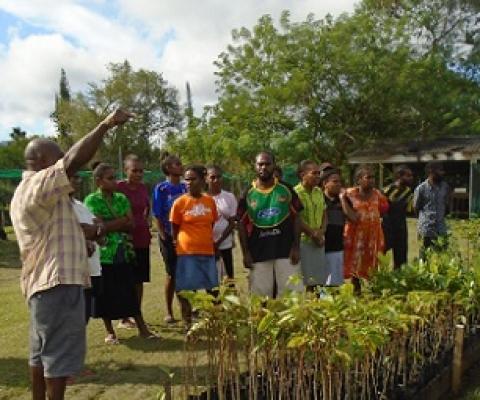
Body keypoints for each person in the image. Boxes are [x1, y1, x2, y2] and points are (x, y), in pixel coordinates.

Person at [10, 109, 132, 400]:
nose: (70, 167)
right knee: (58, 357)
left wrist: (87, 237)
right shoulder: (38, 185)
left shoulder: (37, 194)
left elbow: (62, 230)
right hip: (57, 284)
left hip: (44, 284)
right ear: (41, 161)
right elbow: (74, 160)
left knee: (41, 354)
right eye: (58, 156)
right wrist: (105, 125)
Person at [84, 163, 156, 344]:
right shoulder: (91, 201)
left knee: (129, 289)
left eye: (115, 177)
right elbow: (97, 229)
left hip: (123, 250)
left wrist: (108, 224)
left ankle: (142, 329)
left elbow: (131, 224)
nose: (114, 181)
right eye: (110, 178)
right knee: (105, 293)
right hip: (104, 253)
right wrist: (119, 222)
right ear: (98, 181)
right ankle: (110, 332)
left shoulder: (122, 198)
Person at [237, 151, 303, 298]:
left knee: (291, 295)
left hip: (285, 250)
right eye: (260, 164)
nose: (264, 167)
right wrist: (245, 252)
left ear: (274, 165)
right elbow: (240, 224)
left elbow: (297, 217)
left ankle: (291, 323)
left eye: (267, 164)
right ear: (255, 166)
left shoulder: (286, 189)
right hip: (258, 251)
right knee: (260, 297)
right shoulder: (247, 194)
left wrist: (296, 246)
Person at [170, 165, 219, 327]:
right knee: (186, 291)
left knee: (212, 290)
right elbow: (175, 228)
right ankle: (188, 324)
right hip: (187, 253)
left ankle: (215, 323)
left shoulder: (210, 201)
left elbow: (211, 224)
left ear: (202, 180)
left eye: (193, 178)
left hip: (207, 252)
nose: (189, 182)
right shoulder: (179, 203)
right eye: (187, 179)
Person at [116, 154, 152, 329]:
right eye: (134, 170)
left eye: (140, 171)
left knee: (139, 280)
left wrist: (148, 221)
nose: (138, 174)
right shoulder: (118, 188)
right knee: (125, 279)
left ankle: (136, 312)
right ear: (126, 170)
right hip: (124, 240)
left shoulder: (144, 188)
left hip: (142, 238)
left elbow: (147, 207)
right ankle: (124, 316)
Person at [152, 153, 187, 324]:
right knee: (172, 274)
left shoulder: (185, 188)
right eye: (177, 164)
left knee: (185, 273)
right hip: (168, 237)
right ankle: (169, 311)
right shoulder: (161, 189)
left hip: (185, 238)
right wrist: (164, 235)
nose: (181, 166)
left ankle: (186, 309)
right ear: (168, 169)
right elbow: (157, 214)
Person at [343, 165, 388, 292]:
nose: (372, 180)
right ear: (358, 180)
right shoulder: (349, 194)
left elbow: (384, 209)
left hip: (373, 235)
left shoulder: (377, 194)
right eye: (368, 177)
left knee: (373, 261)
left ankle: (374, 289)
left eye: (373, 177)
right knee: (355, 261)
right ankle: (356, 289)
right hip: (356, 235)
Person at [294, 160, 327, 291]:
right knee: (306, 281)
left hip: (319, 241)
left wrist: (321, 232)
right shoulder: (294, 193)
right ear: (303, 175)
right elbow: (296, 218)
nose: (318, 176)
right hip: (303, 242)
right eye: (314, 173)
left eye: (319, 173)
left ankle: (320, 306)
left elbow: (325, 214)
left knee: (319, 279)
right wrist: (312, 233)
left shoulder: (319, 192)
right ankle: (308, 308)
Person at [322, 169, 354, 286]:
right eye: (335, 182)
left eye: (340, 182)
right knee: (317, 283)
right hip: (320, 246)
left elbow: (353, 217)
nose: (339, 184)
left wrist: (342, 199)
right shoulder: (318, 198)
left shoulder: (344, 200)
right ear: (325, 183)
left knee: (334, 284)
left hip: (336, 247)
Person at [206, 165, 238, 282]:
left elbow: (232, 223)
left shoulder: (229, 197)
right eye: (212, 177)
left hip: (225, 244)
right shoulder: (203, 198)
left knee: (229, 280)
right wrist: (211, 243)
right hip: (207, 246)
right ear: (206, 178)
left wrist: (218, 242)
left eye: (219, 177)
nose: (216, 180)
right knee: (211, 281)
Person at [413, 162, 451, 259]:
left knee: (442, 257)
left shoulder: (445, 187)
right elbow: (416, 208)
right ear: (431, 172)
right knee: (424, 257)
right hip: (426, 229)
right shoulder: (420, 189)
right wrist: (425, 219)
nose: (443, 173)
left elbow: (446, 205)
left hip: (441, 229)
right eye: (440, 170)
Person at [382, 165, 414, 268]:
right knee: (381, 253)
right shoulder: (386, 190)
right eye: (408, 175)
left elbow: (409, 210)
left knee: (401, 257)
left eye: (411, 175)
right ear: (399, 176)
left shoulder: (409, 192)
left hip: (401, 227)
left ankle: (398, 279)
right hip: (387, 227)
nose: (411, 178)